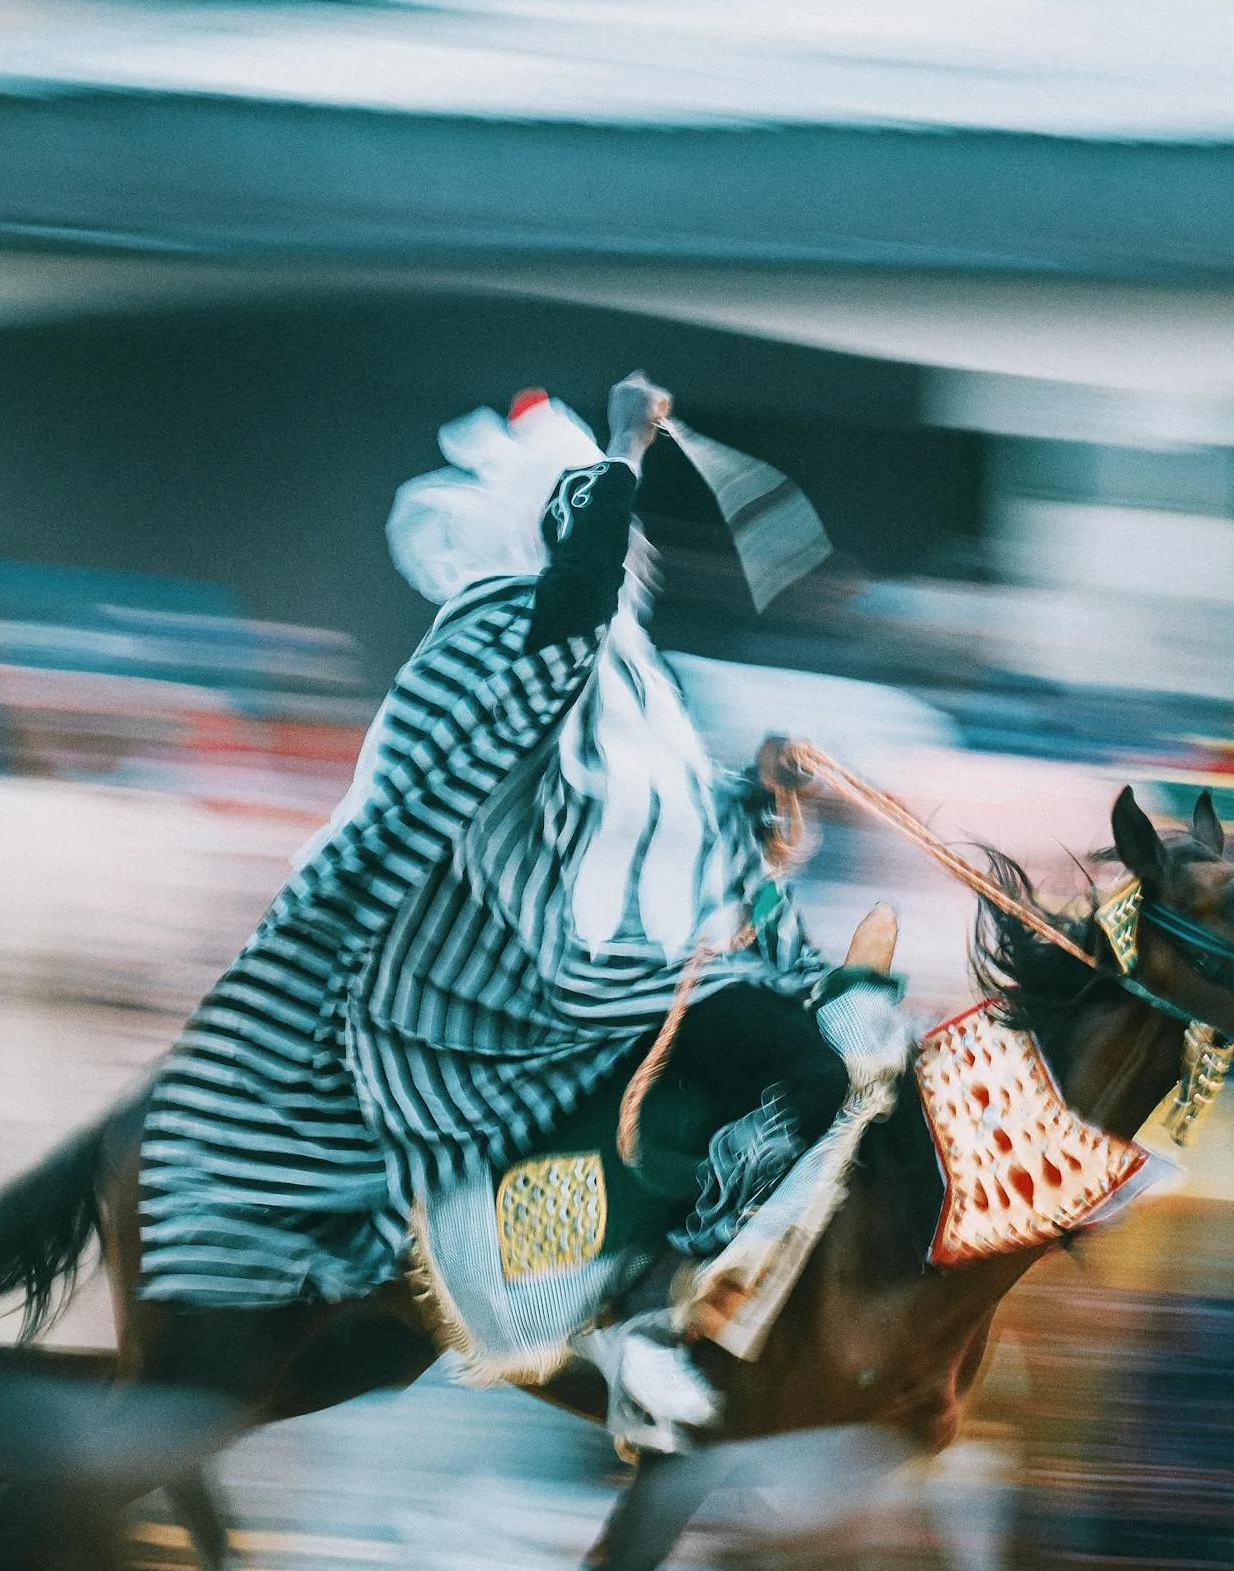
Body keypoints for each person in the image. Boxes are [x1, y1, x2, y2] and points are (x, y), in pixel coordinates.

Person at [136, 376, 902, 1452]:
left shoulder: (637, 672)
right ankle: (647, 1313)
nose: (642, 553)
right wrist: (627, 443)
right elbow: (576, 602)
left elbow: (648, 823)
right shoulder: (515, 627)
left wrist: (756, 792)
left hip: (638, 958)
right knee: (806, 1071)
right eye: (622, 530)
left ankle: (683, 1299)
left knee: (831, 1043)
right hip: (532, 975)